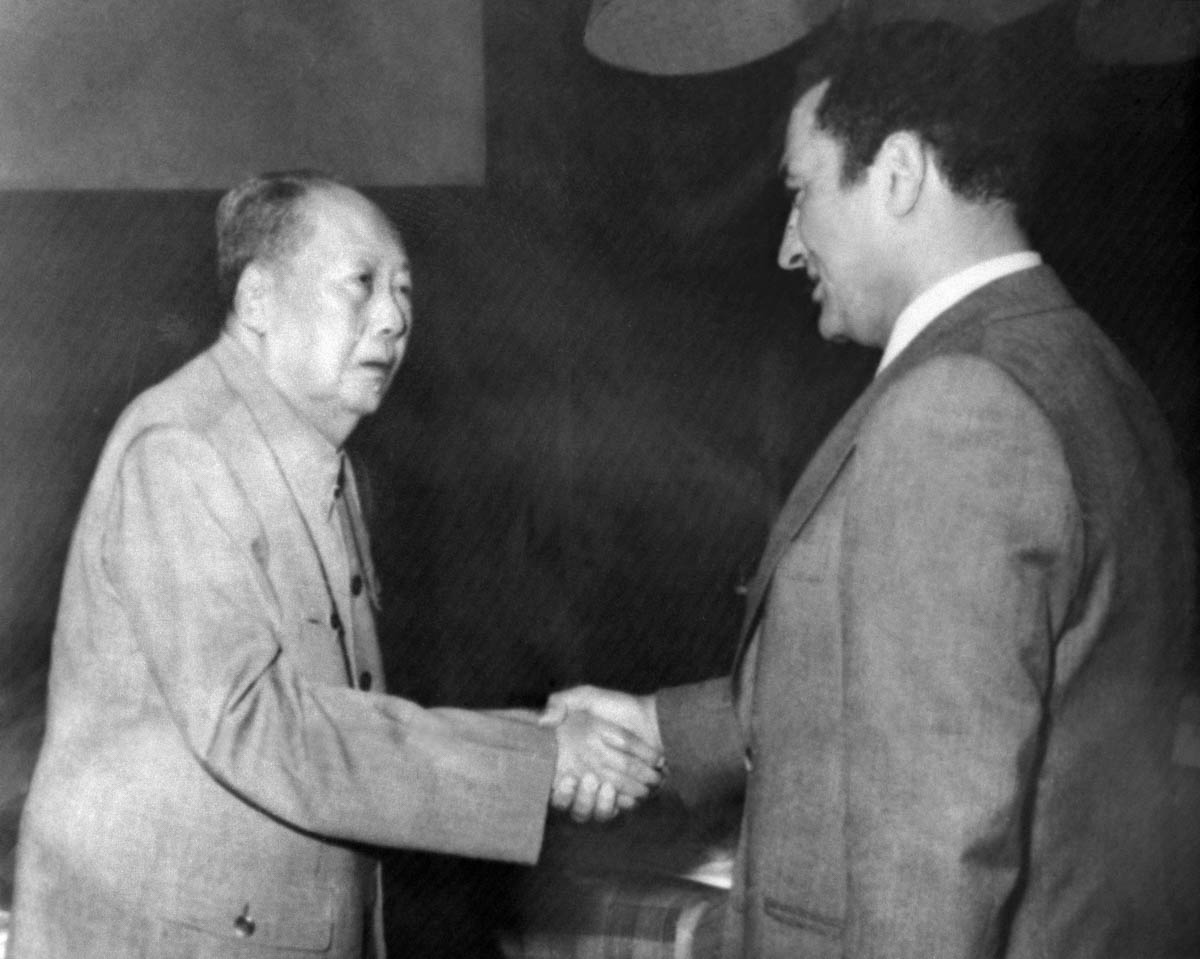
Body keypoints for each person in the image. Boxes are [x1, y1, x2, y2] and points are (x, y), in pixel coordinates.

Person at [546, 20, 1199, 958]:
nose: (786, 245)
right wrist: (657, 726)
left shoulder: (958, 409)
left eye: (801, 192)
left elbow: (934, 855)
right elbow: (950, 679)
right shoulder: (1081, 366)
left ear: (896, 174)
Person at [10, 171, 662, 959]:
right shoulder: (184, 448)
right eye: (361, 284)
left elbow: (337, 718)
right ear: (257, 300)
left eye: (405, 290)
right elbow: (259, 725)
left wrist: (534, 738)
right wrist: (538, 760)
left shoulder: (316, 456)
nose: (394, 318)